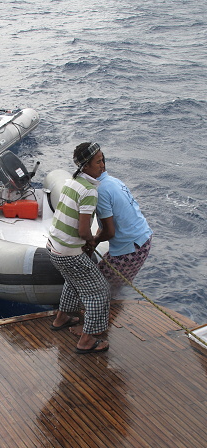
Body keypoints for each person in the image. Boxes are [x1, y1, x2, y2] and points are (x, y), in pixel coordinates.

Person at [47, 142, 111, 354]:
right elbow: (84, 231)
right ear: (85, 166)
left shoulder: (71, 181)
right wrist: (91, 241)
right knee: (100, 291)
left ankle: (62, 318)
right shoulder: (90, 191)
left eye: (103, 160)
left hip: (53, 247)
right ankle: (87, 340)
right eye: (98, 161)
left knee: (74, 281)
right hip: (68, 253)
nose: (103, 165)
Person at [94, 163, 152, 293]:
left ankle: (105, 310)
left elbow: (109, 232)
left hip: (132, 248)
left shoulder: (100, 190)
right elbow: (106, 223)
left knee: (97, 285)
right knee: (111, 285)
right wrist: (95, 242)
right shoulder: (113, 181)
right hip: (143, 240)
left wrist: (92, 242)